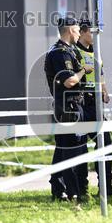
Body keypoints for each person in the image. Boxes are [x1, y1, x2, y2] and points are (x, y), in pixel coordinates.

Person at [44, 16, 90, 202]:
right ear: (71, 30)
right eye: (78, 29)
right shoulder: (60, 53)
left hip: (72, 105)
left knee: (63, 149)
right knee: (72, 149)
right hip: (68, 106)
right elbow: (70, 81)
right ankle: (72, 192)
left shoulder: (69, 51)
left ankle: (59, 187)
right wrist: (83, 71)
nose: (80, 32)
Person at [75, 18, 112, 197]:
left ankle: (106, 187)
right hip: (80, 102)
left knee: (105, 143)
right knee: (80, 147)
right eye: (93, 32)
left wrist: (105, 91)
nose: (96, 35)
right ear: (84, 31)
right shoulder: (74, 51)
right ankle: (81, 188)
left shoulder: (96, 50)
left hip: (95, 103)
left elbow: (100, 74)